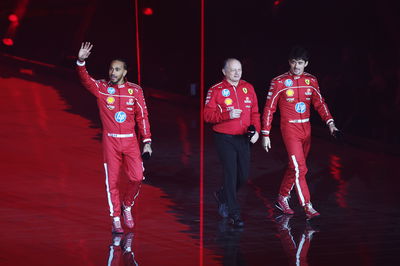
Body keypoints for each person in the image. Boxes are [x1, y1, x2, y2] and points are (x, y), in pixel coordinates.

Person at [76, 42, 152, 233]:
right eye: (111, 68)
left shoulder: (135, 91)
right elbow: (85, 80)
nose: (113, 72)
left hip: (130, 141)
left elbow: (142, 116)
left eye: (117, 69)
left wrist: (147, 142)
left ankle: (127, 205)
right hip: (110, 141)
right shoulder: (101, 88)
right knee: (112, 182)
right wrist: (81, 61)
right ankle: (116, 217)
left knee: (137, 177)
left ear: (125, 72)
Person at [261, 46, 338, 219]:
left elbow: (320, 103)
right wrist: (265, 133)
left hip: (306, 129)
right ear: (289, 62)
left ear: (306, 64)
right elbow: (269, 108)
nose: (297, 66)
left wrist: (330, 123)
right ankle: (307, 207)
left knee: (295, 168)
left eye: (300, 63)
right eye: (294, 62)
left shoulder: (311, 80)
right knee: (300, 168)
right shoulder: (279, 81)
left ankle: (282, 197)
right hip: (289, 128)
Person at [204, 58, 261, 227]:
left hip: (243, 138)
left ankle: (223, 196)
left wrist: (256, 131)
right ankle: (234, 213)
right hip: (224, 138)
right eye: (233, 70)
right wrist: (226, 115)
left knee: (243, 176)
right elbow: (207, 115)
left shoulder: (248, 88)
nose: (237, 73)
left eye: (239, 69)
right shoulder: (216, 90)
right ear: (224, 72)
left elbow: (255, 112)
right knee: (231, 173)